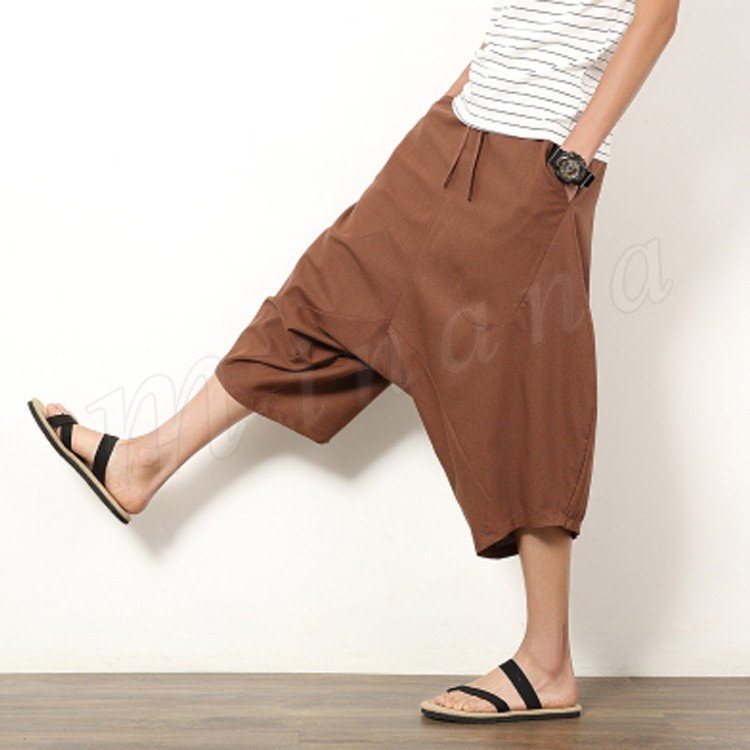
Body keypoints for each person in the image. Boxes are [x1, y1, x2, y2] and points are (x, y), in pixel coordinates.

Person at [28, 0, 679, 725]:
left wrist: (572, 159)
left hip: (542, 153)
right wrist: (459, 99)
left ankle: (548, 661)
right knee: (331, 294)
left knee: (523, 380)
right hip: (458, 127)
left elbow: (657, 14)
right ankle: (145, 461)